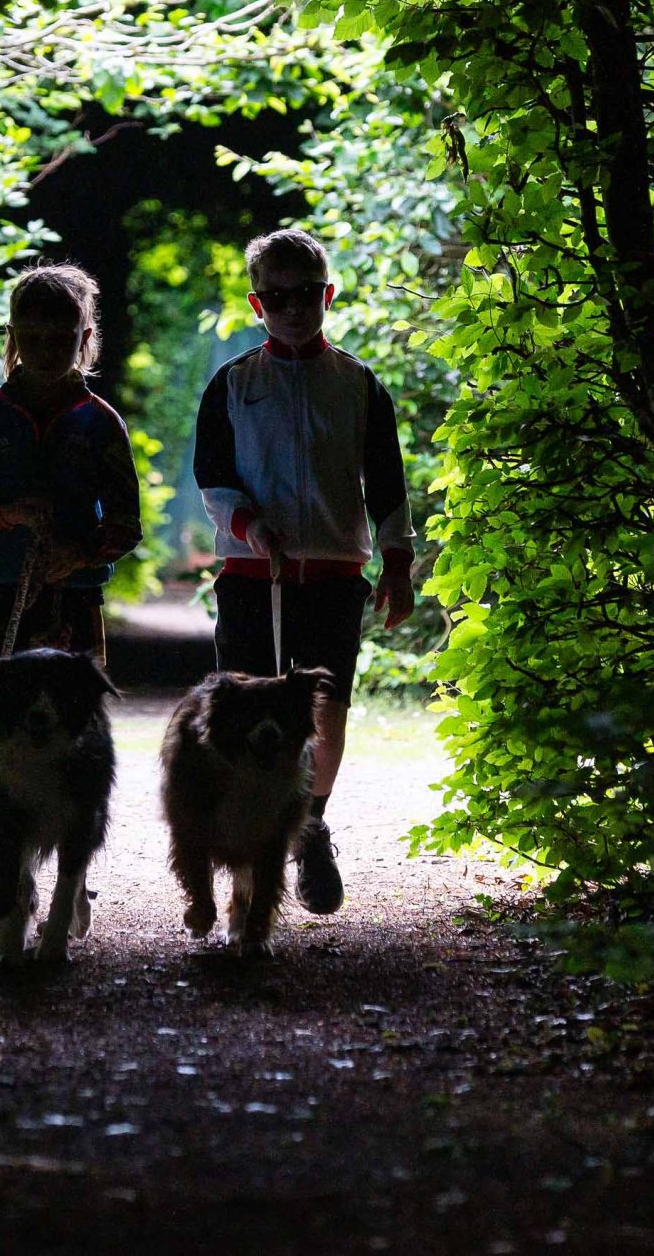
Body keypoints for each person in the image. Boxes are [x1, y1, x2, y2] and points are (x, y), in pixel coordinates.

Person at [192, 228, 414, 915]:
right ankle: (250, 842)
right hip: (252, 578)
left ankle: (310, 824)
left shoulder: (357, 384)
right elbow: (213, 478)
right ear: (258, 304)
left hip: (333, 574)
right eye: (278, 296)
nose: (293, 307)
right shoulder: (233, 383)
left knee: (326, 713)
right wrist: (252, 528)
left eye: (306, 294)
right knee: (246, 715)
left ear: (329, 294)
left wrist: (398, 564)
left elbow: (387, 482)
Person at [0, 264, 143, 693]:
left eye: (60, 339)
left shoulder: (101, 423)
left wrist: (78, 555)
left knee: (79, 724)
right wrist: (6, 515)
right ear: (12, 336)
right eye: (32, 338)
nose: (46, 350)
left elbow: (127, 526)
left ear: (85, 338)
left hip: (78, 595)